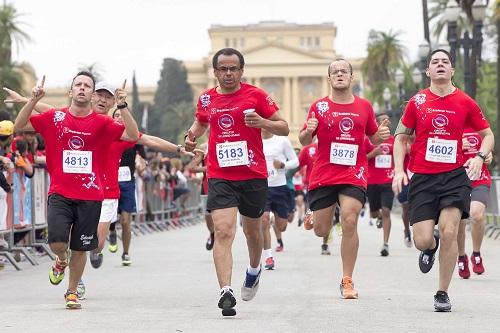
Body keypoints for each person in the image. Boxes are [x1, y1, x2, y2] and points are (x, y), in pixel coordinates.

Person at [14, 72, 140, 309]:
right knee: (58, 242)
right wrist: (32, 99)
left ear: (92, 95)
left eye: (87, 86)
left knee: (81, 246)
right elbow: (19, 125)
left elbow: (132, 135)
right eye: (78, 85)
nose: (82, 88)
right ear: (71, 91)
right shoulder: (55, 117)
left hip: (91, 195)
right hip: (60, 192)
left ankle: (71, 291)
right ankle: (61, 260)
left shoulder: (103, 123)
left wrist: (122, 105)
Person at [184, 47, 289, 316]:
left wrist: (262, 120)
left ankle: (254, 270)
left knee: (253, 232)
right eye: (223, 69)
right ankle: (226, 290)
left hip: (253, 175)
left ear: (241, 71)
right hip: (220, 174)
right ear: (215, 72)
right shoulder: (207, 99)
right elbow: (201, 123)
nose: (228, 73)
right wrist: (191, 135)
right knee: (223, 230)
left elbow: (284, 127)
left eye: (233, 69)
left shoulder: (256, 95)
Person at [392, 49, 494, 312]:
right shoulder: (417, 102)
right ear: (428, 71)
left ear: (451, 71)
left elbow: (488, 134)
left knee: (450, 231)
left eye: (445, 62)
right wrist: (399, 170)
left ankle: (442, 293)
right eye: (434, 62)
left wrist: (480, 157)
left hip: (454, 177)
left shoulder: (465, 102)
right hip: (423, 178)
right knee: (423, 240)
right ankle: (430, 247)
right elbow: (401, 138)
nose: (440, 65)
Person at [299, 58, 390, 299]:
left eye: (344, 71)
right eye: (335, 72)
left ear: (351, 78)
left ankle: (347, 280)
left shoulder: (364, 107)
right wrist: (308, 130)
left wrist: (380, 136)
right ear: (329, 79)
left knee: (349, 219)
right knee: (321, 230)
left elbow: (374, 138)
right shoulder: (319, 107)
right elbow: (305, 142)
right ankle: (313, 216)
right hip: (324, 173)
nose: (340, 74)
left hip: (353, 172)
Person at [456, 128, 492, 278]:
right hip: (458, 182)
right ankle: (461, 256)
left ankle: (476, 254)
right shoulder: (451, 122)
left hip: (480, 180)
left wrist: (489, 156)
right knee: (460, 222)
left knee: (476, 215)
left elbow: (488, 147)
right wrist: (458, 146)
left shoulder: (481, 127)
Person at [261, 128, 298, 269]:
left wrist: (283, 165)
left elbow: (295, 161)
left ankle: (272, 219)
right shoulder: (253, 140)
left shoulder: (282, 141)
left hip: (280, 187)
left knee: (282, 225)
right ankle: (269, 257)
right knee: (263, 219)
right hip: (262, 187)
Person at [365, 113, 395, 256]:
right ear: (376, 124)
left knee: (387, 211)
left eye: (387, 120)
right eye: (383, 120)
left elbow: (404, 155)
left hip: (388, 180)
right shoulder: (369, 141)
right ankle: (378, 217)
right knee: (375, 212)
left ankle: (386, 244)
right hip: (372, 181)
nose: (386, 122)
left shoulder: (394, 140)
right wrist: (373, 154)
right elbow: (361, 159)